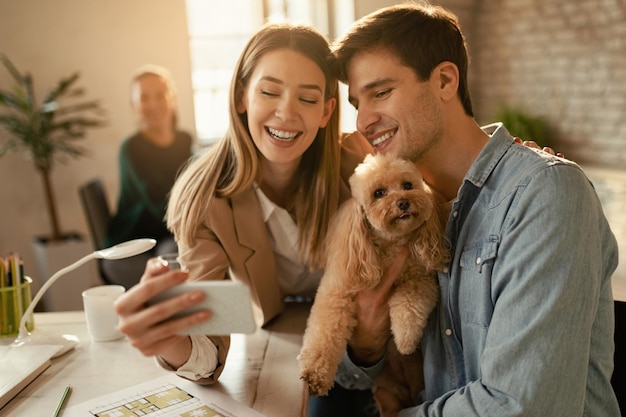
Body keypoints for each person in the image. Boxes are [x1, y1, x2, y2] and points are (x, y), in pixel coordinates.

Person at [330, 3, 620, 417]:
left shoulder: (543, 193)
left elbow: (522, 406)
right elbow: (349, 376)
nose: (362, 121)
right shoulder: (405, 210)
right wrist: (367, 340)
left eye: (381, 92)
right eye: (357, 101)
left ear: (445, 80)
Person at [113, 24, 378, 416]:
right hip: (282, 338)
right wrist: (168, 339)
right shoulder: (204, 199)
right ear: (241, 97)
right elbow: (210, 352)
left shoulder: (359, 168)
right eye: (269, 92)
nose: (286, 113)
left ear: (326, 111)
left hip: (362, 338)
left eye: (307, 98)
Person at [103, 64, 194, 289]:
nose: (153, 104)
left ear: (172, 98)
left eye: (160, 95)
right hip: (131, 248)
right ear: (133, 105)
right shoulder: (131, 149)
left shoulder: (185, 141)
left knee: (179, 252)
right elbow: (160, 204)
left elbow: (194, 187)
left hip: (167, 238)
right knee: (175, 259)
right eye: (144, 97)